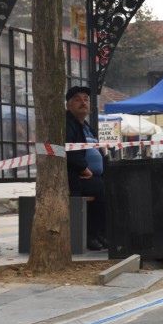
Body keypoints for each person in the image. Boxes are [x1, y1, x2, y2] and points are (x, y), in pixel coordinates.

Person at [65, 85, 107, 251]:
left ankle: (104, 233)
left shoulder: (87, 126)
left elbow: (98, 150)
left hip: (94, 175)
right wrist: (83, 168)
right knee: (101, 189)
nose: (83, 103)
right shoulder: (68, 124)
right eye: (77, 99)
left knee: (116, 186)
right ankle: (91, 234)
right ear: (68, 105)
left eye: (86, 99)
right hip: (77, 177)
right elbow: (69, 149)